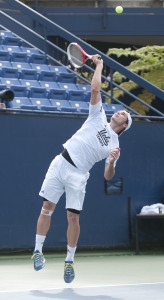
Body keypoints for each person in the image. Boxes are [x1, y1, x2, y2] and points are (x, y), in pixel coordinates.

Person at [32, 55, 132, 283]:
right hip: (60, 162)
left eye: (123, 114)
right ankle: (38, 251)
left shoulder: (115, 146)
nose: (119, 112)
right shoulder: (98, 116)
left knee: (72, 218)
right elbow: (95, 89)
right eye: (119, 111)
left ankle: (69, 261)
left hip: (79, 175)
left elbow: (108, 176)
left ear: (124, 125)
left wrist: (110, 163)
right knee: (47, 207)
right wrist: (99, 66)